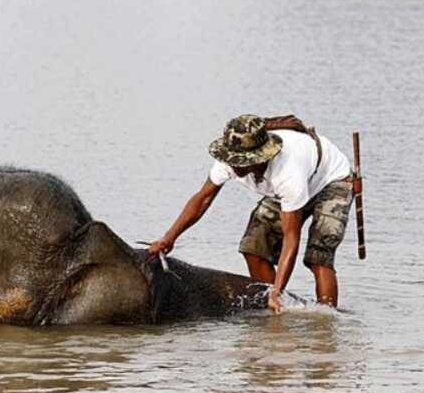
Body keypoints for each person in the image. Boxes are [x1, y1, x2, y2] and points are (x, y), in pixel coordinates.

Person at [148, 114, 354, 313]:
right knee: (253, 247)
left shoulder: (287, 172)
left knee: (318, 255)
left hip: (331, 180)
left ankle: (326, 319)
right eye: (232, 160)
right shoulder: (229, 159)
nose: (234, 166)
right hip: (291, 187)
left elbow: (291, 238)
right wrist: (169, 238)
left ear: (260, 158)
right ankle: (277, 307)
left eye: (242, 161)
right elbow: (203, 199)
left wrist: (278, 290)